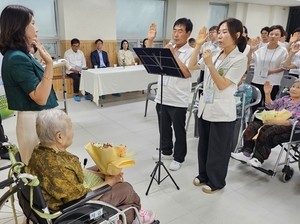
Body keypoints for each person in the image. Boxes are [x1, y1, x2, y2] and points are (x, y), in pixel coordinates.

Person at [26, 108, 156, 224]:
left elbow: (70, 174)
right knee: (127, 189)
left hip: (63, 194)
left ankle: (119, 203)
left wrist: (101, 175)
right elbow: (81, 197)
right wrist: (109, 183)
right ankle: (130, 216)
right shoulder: (56, 168)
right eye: (70, 128)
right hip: (73, 210)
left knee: (103, 169)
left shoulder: (41, 150)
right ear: (59, 137)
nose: (72, 131)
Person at [188, 18, 247, 193]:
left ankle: (217, 181)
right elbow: (191, 65)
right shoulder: (214, 52)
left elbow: (222, 84)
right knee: (204, 145)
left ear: (236, 35)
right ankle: (204, 175)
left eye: (224, 32)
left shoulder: (239, 59)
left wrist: (210, 65)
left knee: (218, 149)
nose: (219, 36)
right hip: (206, 106)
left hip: (222, 111)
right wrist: (198, 45)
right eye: (219, 32)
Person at [0, 5, 58, 165]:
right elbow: (40, 97)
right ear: (19, 27)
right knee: (38, 170)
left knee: (45, 168)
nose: (37, 29)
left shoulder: (22, 54)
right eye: (32, 23)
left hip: (38, 118)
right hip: (33, 121)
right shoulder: (17, 58)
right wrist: (50, 65)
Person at [148, 18, 194, 171]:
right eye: (174, 30)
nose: (176, 34)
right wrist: (150, 40)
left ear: (188, 33)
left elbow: (187, 73)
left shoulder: (191, 52)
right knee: (164, 127)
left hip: (178, 98)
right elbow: (151, 60)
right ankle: (166, 151)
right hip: (162, 95)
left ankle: (179, 157)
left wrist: (173, 55)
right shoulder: (169, 47)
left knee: (179, 130)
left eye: (180, 31)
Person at [231, 80, 300, 167]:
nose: (294, 89)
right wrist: (267, 94)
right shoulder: (285, 99)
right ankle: (246, 153)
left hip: (290, 128)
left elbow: (295, 122)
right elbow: (270, 106)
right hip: (272, 123)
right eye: (293, 86)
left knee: (266, 129)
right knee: (253, 125)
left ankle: (258, 159)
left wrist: (275, 122)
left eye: (298, 88)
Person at [247, 25, 288, 113]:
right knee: (255, 107)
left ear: (281, 37)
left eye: (276, 34)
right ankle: (254, 125)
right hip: (257, 80)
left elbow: (284, 66)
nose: (273, 36)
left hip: (272, 82)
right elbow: (249, 61)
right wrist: (251, 50)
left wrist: (271, 71)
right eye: (271, 34)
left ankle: (265, 126)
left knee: (269, 107)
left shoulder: (283, 51)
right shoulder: (260, 49)